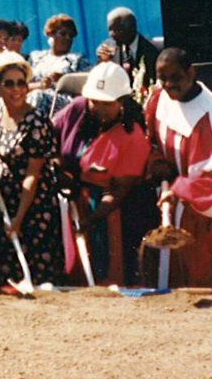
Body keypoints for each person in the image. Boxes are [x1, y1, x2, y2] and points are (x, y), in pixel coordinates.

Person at [144, 48, 212, 288]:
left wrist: (179, 190)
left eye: (176, 77)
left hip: (205, 209)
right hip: (175, 197)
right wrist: (158, 162)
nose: (169, 85)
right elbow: (153, 139)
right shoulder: (160, 98)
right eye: (163, 78)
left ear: (191, 72)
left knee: (200, 279)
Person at [50, 62, 156, 286]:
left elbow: (118, 191)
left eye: (107, 103)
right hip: (69, 200)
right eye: (94, 101)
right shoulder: (77, 109)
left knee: (104, 274)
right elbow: (49, 141)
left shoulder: (133, 137)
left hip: (107, 213)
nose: (99, 108)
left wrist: (90, 220)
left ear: (122, 101)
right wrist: (59, 171)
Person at [0, 52, 64, 286]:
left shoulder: (37, 122)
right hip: (5, 201)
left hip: (32, 207)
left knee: (37, 280)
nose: (16, 89)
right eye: (9, 83)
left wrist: (18, 218)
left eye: (21, 83)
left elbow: (32, 175)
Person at [97, 7, 158, 89]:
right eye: (110, 29)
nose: (112, 34)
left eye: (117, 29)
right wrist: (103, 63)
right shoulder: (108, 48)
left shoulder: (153, 50)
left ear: (132, 27)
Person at [28, 13, 89, 89]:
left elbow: (88, 84)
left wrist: (64, 79)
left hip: (62, 97)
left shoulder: (78, 59)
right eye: (63, 34)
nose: (67, 38)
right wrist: (40, 85)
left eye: (71, 35)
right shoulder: (35, 57)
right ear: (51, 34)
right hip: (32, 95)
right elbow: (22, 85)